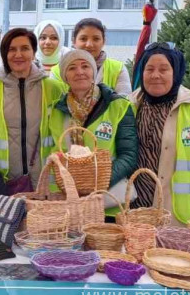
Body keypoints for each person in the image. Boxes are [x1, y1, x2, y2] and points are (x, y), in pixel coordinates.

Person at [128, 42, 190, 224]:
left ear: (176, 71)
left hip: (177, 213)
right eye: (149, 69)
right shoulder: (130, 104)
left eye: (164, 69)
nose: (155, 75)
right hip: (135, 209)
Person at [0, 28, 65, 185]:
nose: (18, 55)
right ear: (4, 55)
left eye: (25, 48)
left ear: (34, 52)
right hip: (2, 182)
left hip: (46, 182)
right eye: (12, 49)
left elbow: (64, 134)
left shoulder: (54, 89)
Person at [48, 49, 137, 205]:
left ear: (93, 72)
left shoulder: (119, 106)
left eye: (85, 66)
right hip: (68, 201)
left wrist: (98, 183)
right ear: (65, 77)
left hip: (108, 200)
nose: (80, 72)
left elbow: (129, 155)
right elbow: (53, 153)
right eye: (72, 68)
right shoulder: (56, 111)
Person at [52, 18, 131, 95]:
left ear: (103, 41)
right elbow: (54, 103)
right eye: (83, 39)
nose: (89, 44)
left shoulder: (118, 68)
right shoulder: (57, 71)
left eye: (96, 39)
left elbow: (124, 103)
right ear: (74, 41)